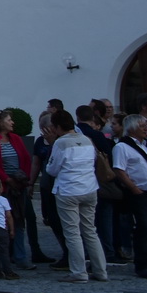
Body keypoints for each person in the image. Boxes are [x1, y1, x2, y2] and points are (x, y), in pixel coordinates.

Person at [44, 108, 108, 283]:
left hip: (68, 190)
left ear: (57, 126)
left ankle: (79, 272)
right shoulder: (86, 140)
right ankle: (100, 270)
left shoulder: (60, 143)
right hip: (89, 188)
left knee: (72, 233)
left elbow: (52, 169)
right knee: (90, 231)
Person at [113, 113, 147, 278]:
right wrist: (134, 188)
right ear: (132, 128)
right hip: (140, 193)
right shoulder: (122, 147)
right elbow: (119, 170)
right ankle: (141, 265)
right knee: (144, 229)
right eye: (142, 126)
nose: (146, 129)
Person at [0, 110, 34, 271]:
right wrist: (7, 179)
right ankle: (3, 256)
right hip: (3, 187)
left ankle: (20, 256)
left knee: (18, 220)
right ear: (0, 122)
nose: (12, 123)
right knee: (2, 221)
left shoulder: (16, 139)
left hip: (18, 185)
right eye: (9, 120)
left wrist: (22, 179)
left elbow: (25, 159)